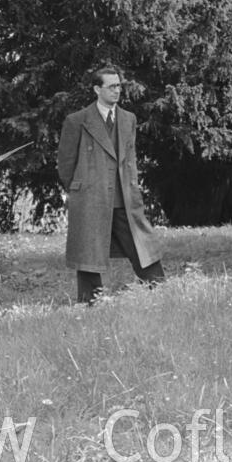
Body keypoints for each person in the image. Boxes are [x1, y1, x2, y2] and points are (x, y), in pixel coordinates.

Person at [56, 65, 165, 303]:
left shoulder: (128, 119)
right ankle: (89, 302)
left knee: (141, 241)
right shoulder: (77, 121)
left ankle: (160, 290)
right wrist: (80, 189)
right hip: (90, 198)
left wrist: (133, 187)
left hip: (124, 197)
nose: (117, 91)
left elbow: (131, 158)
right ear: (97, 89)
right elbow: (65, 163)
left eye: (119, 86)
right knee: (89, 250)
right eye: (112, 86)